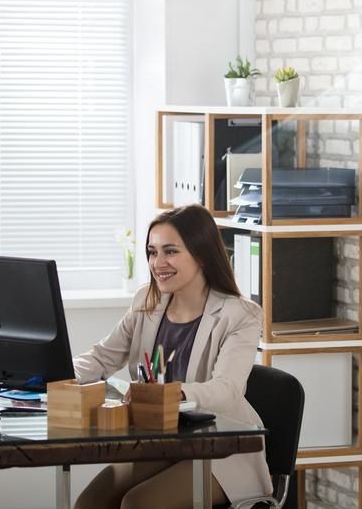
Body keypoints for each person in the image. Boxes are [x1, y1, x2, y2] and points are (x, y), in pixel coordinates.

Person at [73, 204, 271, 509]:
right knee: (90, 503)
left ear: (201, 254)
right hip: (161, 442)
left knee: (138, 504)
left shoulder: (240, 314)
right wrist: (55, 371)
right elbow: (102, 357)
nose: (157, 263)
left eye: (170, 251)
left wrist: (172, 394)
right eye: (152, 252)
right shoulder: (147, 300)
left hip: (220, 450)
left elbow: (228, 389)